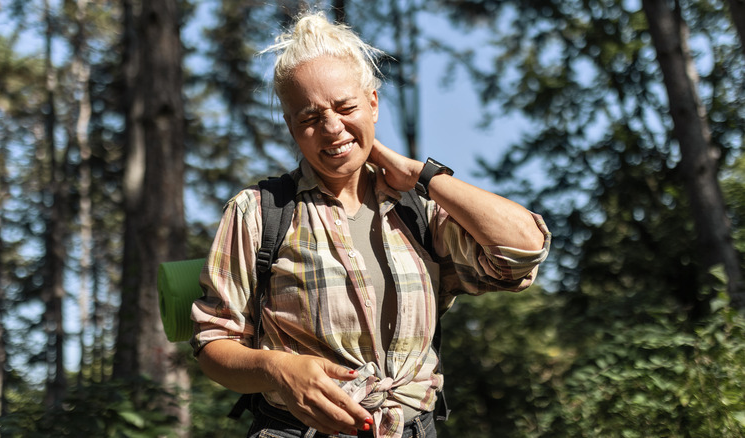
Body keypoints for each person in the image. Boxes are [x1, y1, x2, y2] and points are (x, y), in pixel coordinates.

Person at [191, 11, 551, 438]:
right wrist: (279, 368)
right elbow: (213, 344)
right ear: (290, 126)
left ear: (373, 103)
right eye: (309, 117)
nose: (331, 128)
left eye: (347, 107)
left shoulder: (418, 210)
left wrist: (423, 174)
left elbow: (522, 251)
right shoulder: (258, 211)